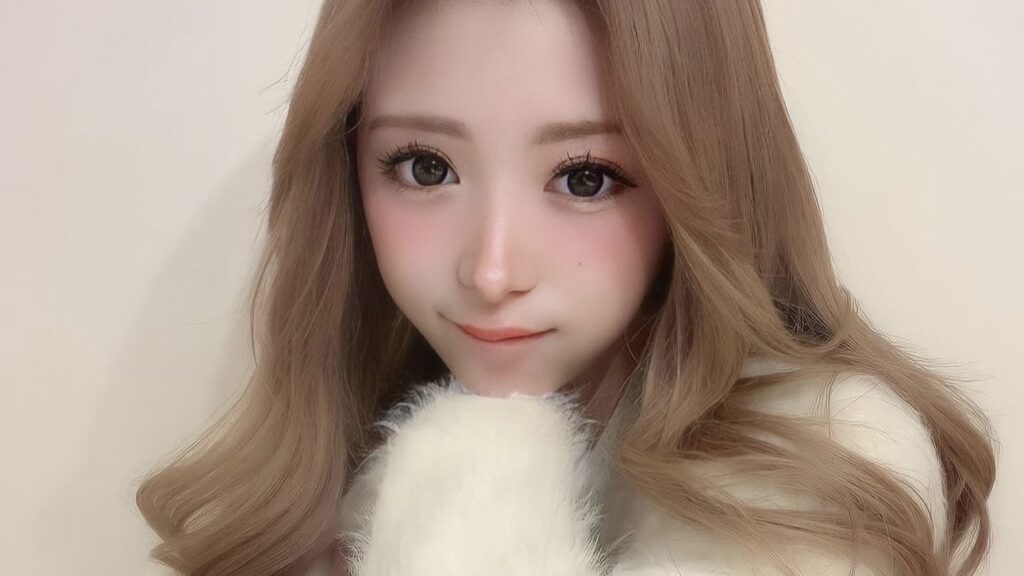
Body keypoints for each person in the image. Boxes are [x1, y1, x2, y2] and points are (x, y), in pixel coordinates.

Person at [135, 1, 997, 575]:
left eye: (586, 177)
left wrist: (471, 505)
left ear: (704, 182)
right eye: (425, 167)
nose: (491, 272)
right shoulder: (340, 467)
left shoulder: (816, 480)